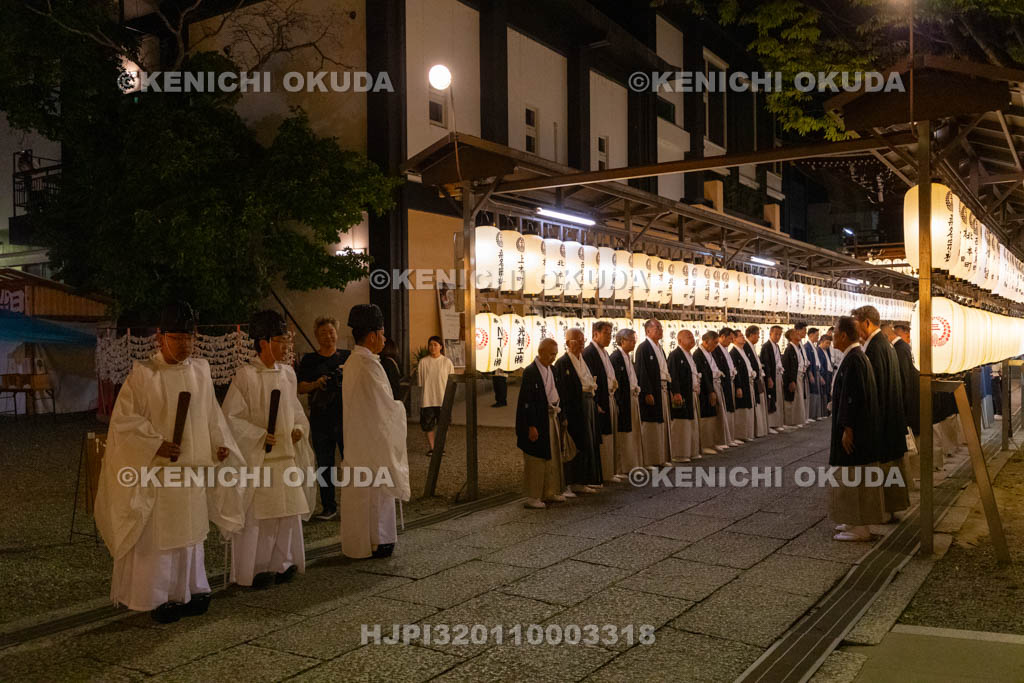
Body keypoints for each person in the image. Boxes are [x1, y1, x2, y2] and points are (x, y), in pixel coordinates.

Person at [94, 302, 245, 623]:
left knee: (191, 534)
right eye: (177, 338)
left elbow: (211, 417)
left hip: (193, 472)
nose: (185, 345)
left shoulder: (200, 371)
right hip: (160, 475)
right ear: (160, 338)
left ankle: (193, 588)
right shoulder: (144, 375)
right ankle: (158, 596)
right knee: (162, 537)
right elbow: (124, 422)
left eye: (189, 338)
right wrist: (157, 444)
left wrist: (219, 446)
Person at [223, 310, 315, 588]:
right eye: (280, 339)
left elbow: (297, 411)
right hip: (260, 459)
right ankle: (254, 569)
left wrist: (299, 428)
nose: (286, 346)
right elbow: (231, 417)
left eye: (286, 339)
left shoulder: (288, 374)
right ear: (262, 342)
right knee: (259, 517)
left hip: (285, 457)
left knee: (287, 513)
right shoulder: (245, 376)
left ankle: (282, 562)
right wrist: (258, 435)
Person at [340, 304, 410, 559]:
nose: (384, 338)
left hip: (360, 439)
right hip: (372, 441)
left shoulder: (354, 362)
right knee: (376, 493)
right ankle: (378, 540)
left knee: (367, 493)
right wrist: (400, 408)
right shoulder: (368, 365)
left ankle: (371, 541)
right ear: (371, 336)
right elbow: (384, 408)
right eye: (381, 333)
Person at [829, 316, 886, 542]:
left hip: (854, 432)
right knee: (851, 477)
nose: (832, 337)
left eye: (834, 333)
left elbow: (853, 397)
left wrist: (848, 428)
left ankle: (859, 525)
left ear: (843, 335)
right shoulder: (855, 356)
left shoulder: (854, 359)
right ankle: (852, 519)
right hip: (854, 428)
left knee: (853, 477)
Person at [853, 305, 910, 517]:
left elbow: (872, 388)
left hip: (882, 419)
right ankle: (889, 509)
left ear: (867, 322)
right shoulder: (884, 344)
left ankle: (882, 510)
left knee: (882, 468)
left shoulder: (874, 348)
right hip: (891, 416)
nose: (855, 330)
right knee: (890, 467)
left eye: (856, 324)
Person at [297, 317, 350, 521]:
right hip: (320, 418)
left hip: (344, 417)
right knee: (324, 463)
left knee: (350, 461)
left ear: (337, 333)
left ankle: (352, 502)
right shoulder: (310, 360)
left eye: (331, 332)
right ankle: (329, 506)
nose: (328, 336)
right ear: (316, 336)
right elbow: (300, 387)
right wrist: (316, 384)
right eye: (323, 333)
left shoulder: (348, 357)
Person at [516, 338, 567, 508]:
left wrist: (562, 416)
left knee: (551, 455)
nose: (554, 357)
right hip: (537, 419)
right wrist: (531, 425)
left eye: (555, 354)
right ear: (541, 352)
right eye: (552, 354)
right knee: (536, 459)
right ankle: (533, 496)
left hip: (551, 416)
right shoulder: (530, 372)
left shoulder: (551, 369)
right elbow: (526, 400)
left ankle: (549, 491)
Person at [555, 328, 603, 494]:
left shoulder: (583, 360)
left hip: (587, 403)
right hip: (573, 407)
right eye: (578, 340)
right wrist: (563, 415)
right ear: (568, 343)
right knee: (572, 444)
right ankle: (568, 483)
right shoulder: (562, 363)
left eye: (583, 340)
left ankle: (582, 481)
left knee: (587, 442)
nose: (582, 343)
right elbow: (561, 390)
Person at [584, 321, 623, 483]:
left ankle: (610, 471)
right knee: (602, 436)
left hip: (609, 396)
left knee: (610, 435)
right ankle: (603, 473)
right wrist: (595, 402)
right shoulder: (589, 353)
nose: (609, 336)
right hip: (600, 399)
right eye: (606, 333)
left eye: (610, 333)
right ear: (595, 334)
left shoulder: (604, 352)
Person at [634, 319, 674, 467]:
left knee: (661, 425)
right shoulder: (643, 348)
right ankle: (649, 460)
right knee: (650, 426)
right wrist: (647, 392)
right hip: (652, 390)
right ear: (647, 331)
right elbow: (641, 371)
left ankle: (660, 458)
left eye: (661, 328)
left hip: (662, 388)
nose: (660, 330)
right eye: (656, 328)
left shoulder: (660, 348)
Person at [610, 329, 643, 473]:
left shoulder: (627, 357)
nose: (634, 342)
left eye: (634, 339)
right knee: (624, 434)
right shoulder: (616, 357)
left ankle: (632, 463)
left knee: (633, 432)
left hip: (632, 397)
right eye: (630, 340)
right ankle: (622, 467)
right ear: (621, 341)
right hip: (623, 399)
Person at [417, 336, 454, 457]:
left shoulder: (446, 362)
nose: (432, 347)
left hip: (443, 398)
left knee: (444, 424)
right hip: (428, 398)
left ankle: (440, 447)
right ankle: (432, 448)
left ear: (441, 347)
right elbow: (421, 382)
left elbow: (451, 381)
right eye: (430, 345)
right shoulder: (423, 362)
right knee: (428, 425)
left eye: (435, 345)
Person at [668, 329, 701, 462]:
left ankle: (691, 451)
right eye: (688, 337)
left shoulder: (689, 355)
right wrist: (676, 392)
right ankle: (679, 454)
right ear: (679, 340)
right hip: (681, 394)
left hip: (691, 393)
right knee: (681, 425)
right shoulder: (675, 355)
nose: (692, 339)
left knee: (691, 424)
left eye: (693, 336)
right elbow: (673, 375)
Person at [693, 331, 729, 451]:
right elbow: (703, 375)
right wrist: (710, 392)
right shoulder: (698, 354)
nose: (715, 346)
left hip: (715, 384)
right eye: (714, 343)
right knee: (707, 416)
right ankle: (705, 445)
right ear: (705, 341)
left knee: (715, 415)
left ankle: (714, 441)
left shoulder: (709, 353)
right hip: (706, 389)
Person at [714, 328, 743, 446]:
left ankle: (730, 436)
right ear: (722, 337)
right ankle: (725, 438)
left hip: (730, 381)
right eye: (730, 338)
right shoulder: (716, 350)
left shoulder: (726, 350)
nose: (731, 341)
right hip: (723, 382)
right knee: (725, 410)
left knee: (731, 409)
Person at [743, 326, 770, 437]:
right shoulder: (746, 347)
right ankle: (757, 430)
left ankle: (761, 429)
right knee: (757, 404)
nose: (759, 337)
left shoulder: (752, 347)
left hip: (758, 377)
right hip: (753, 379)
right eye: (757, 334)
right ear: (752, 335)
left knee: (761, 403)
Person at [729, 330, 755, 441]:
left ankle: (747, 433)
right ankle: (740, 435)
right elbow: (737, 370)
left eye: (743, 336)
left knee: (748, 408)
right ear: (734, 339)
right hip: (741, 383)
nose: (743, 338)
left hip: (748, 381)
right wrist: (738, 386)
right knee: (742, 410)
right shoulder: (733, 353)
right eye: (740, 336)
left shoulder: (742, 351)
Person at [760, 325, 785, 432]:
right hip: (771, 375)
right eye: (776, 334)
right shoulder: (766, 346)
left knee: (778, 399)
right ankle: (770, 424)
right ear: (770, 333)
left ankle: (777, 422)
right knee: (771, 398)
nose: (778, 336)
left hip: (778, 374)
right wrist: (769, 377)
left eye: (780, 334)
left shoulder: (777, 346)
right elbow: (766, 363)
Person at [782, 329, 807, 428]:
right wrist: (791, 381)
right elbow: (787, 366)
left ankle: (797, 420)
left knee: (798, 400)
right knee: (792, 400)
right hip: (793, 377)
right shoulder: (789, 349)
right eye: (796, 334)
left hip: (799, 375)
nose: (799, 335)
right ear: (791, 337)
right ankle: (790, 422)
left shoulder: (797, 348)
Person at [804, 328, 824, 420]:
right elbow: (808, 361)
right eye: (816, 335)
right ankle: (812, 415)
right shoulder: (807, 347)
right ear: (811, 335)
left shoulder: (813, 347)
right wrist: (810, 373)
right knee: (813, 392)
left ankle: (816, 414)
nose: (818, 337)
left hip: (817, 371)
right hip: (812, 371)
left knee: (817, 392)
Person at [816, 334, 835, 415]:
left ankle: (828, 411)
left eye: (829, 344)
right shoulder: (818, 350)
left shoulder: (826, 351)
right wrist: (821, 376)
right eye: (827, 343)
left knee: (828, 393)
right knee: (824, 393)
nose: (828, 345)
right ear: (821, 342)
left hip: (829, 373)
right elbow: (820, 364)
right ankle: (824, 412)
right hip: (824, 374)